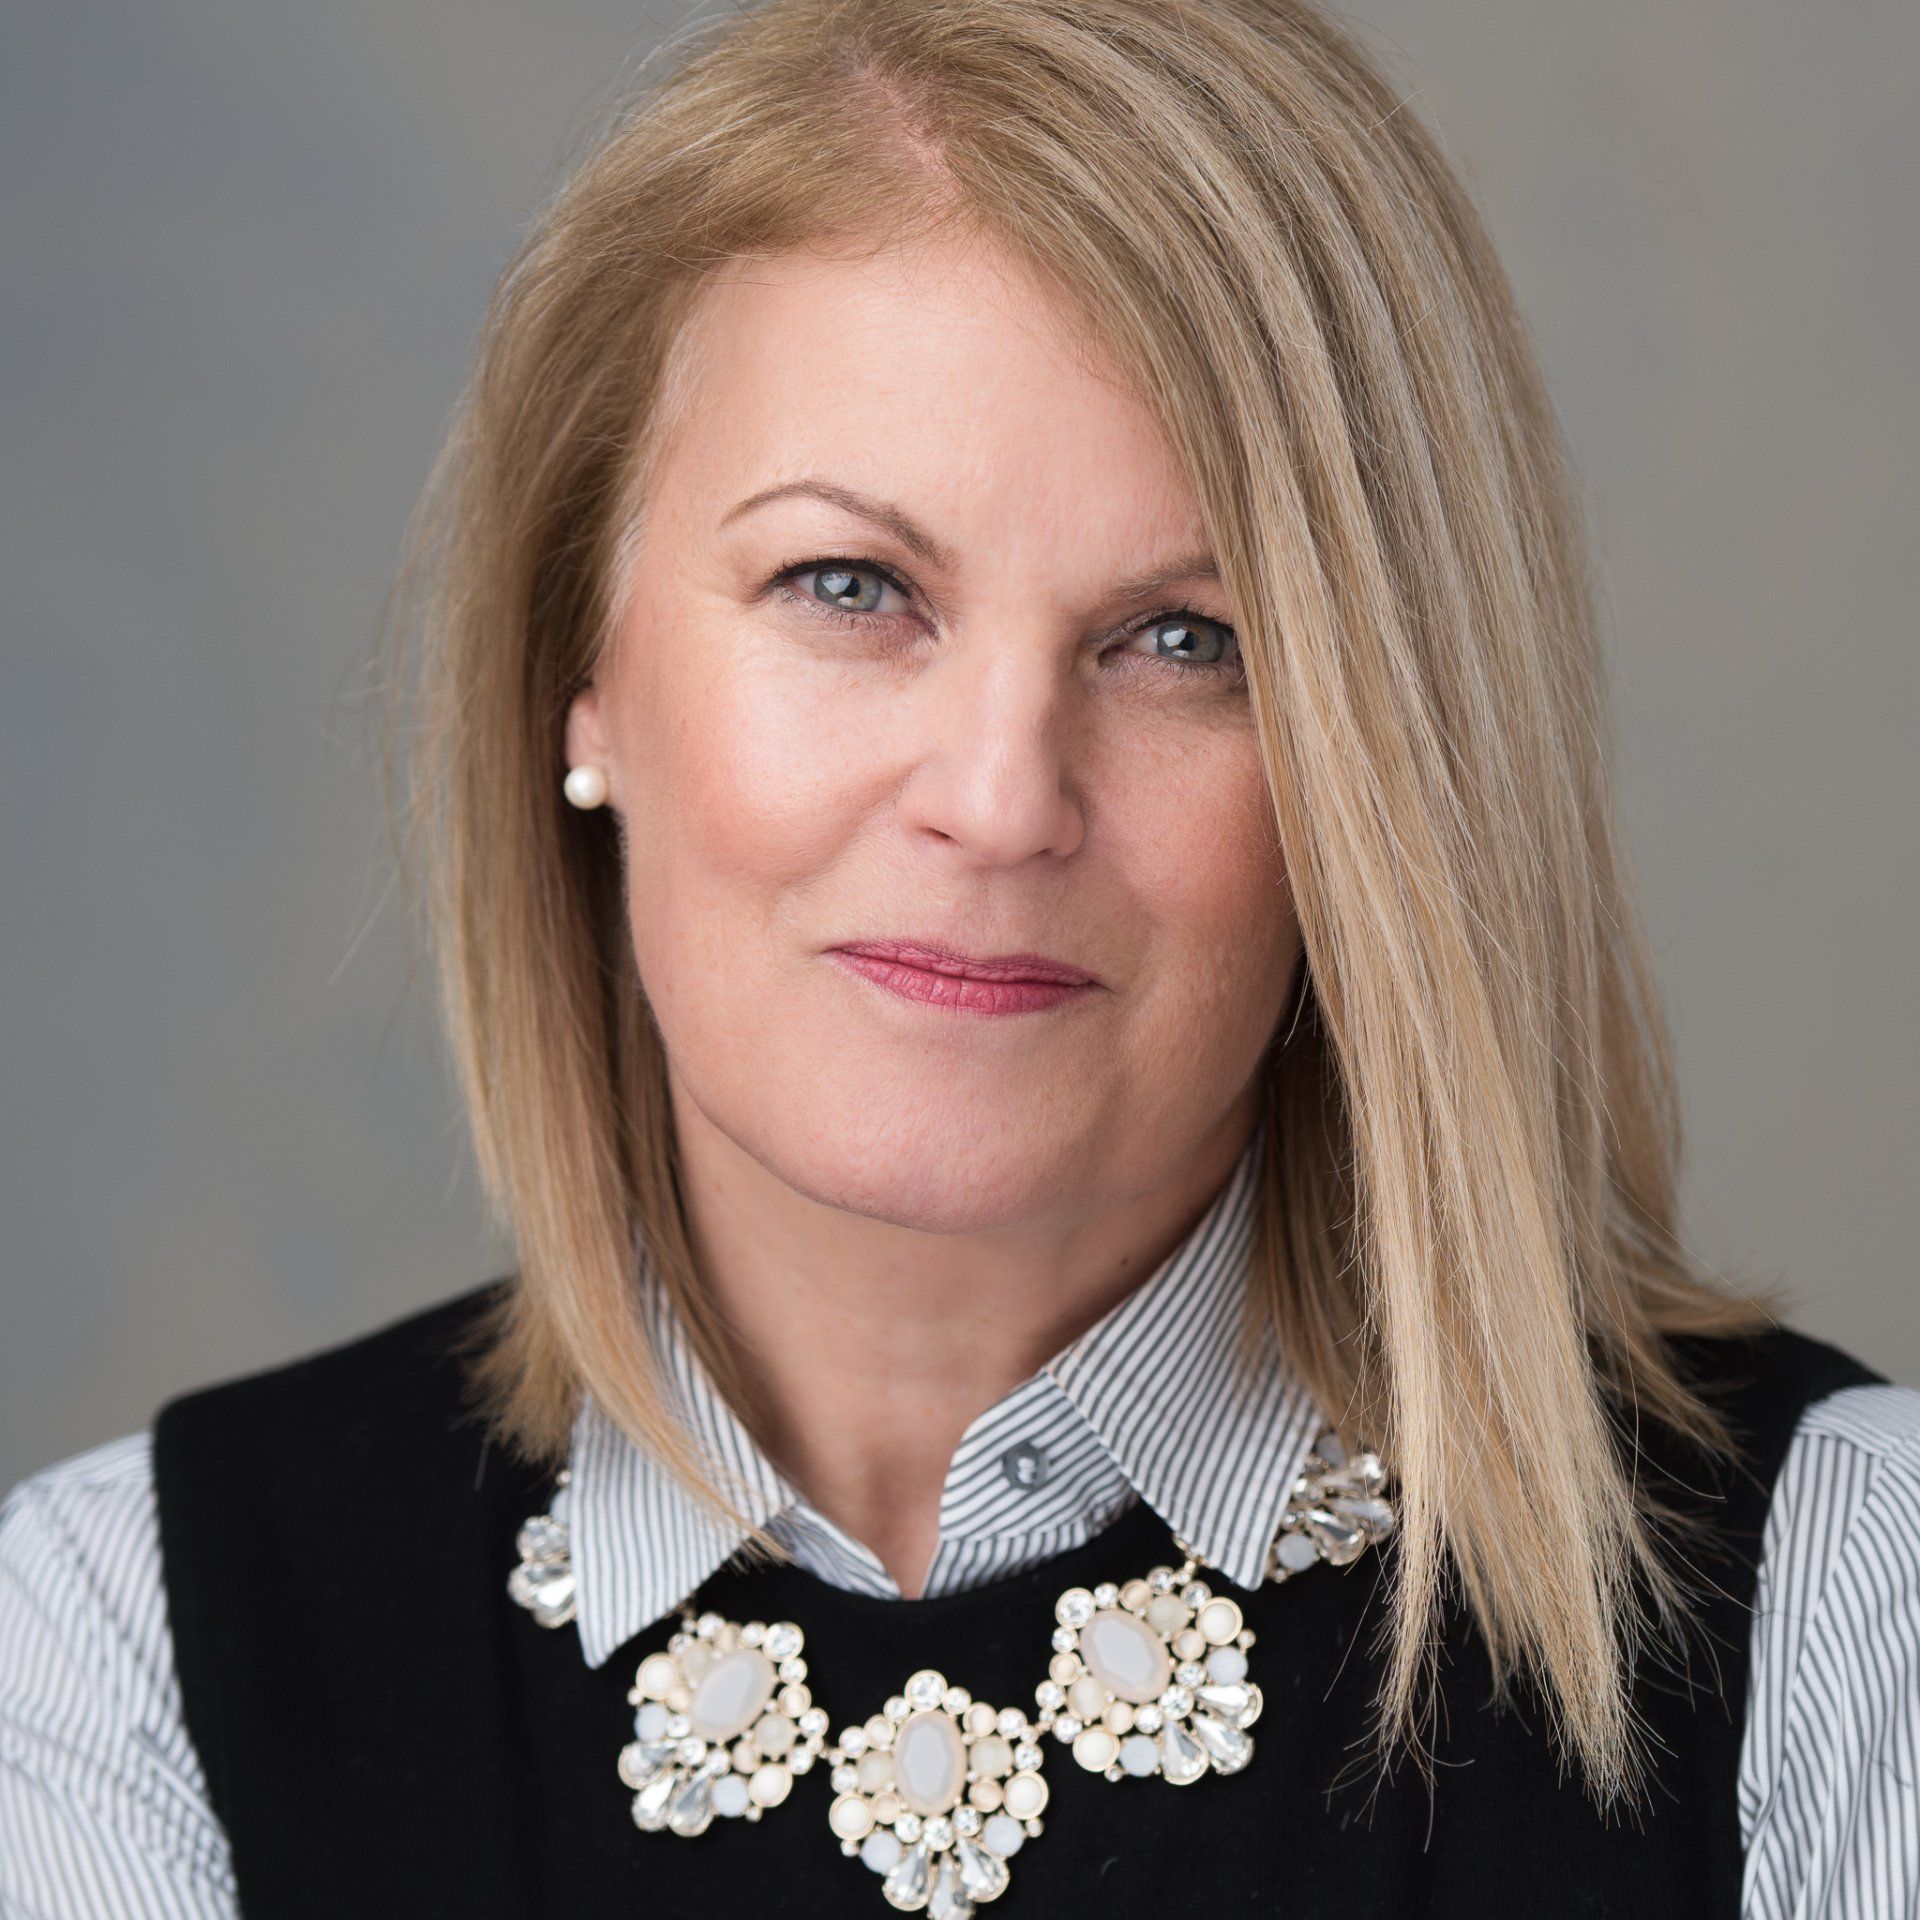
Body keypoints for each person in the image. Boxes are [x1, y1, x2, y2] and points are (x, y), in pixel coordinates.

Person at [3, 0, 1915, 1913]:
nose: (1002, 802)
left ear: (1386, 770)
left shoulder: (1847, 1609)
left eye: (1189, 641)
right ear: (579, 672)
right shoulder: (112, 1662)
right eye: (851, 587)